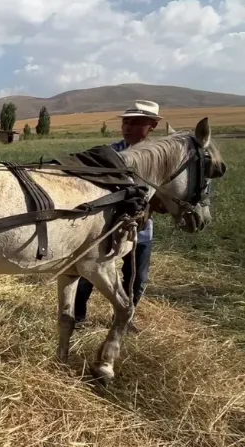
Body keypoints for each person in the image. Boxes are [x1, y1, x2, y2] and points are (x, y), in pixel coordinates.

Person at [74, 100, 162, 333]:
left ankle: (124, 318)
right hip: (106, 227)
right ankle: (78, 317)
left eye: (136, 122)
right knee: (89, 273)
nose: (128, 127)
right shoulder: (111, 154)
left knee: (136, 278)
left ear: (152, 125)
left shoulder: (159, 158)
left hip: (141, 231)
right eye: (126, 121)